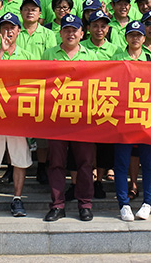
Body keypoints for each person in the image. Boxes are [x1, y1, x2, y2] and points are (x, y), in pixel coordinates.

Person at [0, 13, 35, 219]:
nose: (9, 31)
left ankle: (17, 199)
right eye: (5, 27)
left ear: (19, 30)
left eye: (13, 28)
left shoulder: (28, 56)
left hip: (17, 116)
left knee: (20, 159)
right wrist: (1, 52)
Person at [42, 15, 95, 222]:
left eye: (75, 30)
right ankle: (57, 205)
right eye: (66, 29)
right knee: (56, 163)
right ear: (60, 32)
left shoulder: (91, 56)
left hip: (83, 119)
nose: (71, 33)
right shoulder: (49, 54)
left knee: (85, 163)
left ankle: (85, 204)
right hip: (57, 118)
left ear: (82, 33)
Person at [112, 21, 151, 221]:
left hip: (146, 117)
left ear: (144, 38)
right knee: (121, 163)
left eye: (139, 35)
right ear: (126, 37)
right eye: (131, 35)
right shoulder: (116, 59)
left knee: (148, 163)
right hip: (123, 117)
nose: (135, 38)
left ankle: (148, 202)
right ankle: (124, 203)